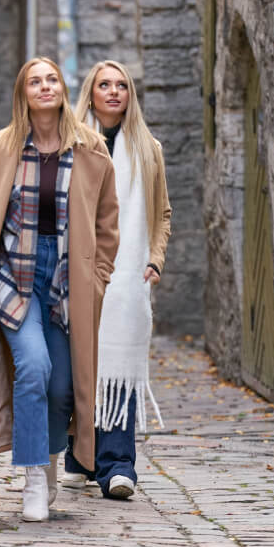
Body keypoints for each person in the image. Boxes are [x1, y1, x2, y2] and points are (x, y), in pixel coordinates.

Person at [0, 57, 119, 521]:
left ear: (62, 89)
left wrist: (97, 276)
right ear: (23, 93)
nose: (44, 87)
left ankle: (51, 458)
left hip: (67, 280)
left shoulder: (92, 150)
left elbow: (106, 224)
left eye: (51, 79)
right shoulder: (0, 149)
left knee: (63, 387)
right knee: (34, 367)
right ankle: (34, 476)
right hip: (13, 278)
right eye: (35, 81)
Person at [59, 60, 171, 499]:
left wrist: (155, 259)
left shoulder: (148, 149)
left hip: (128, 277)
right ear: (90, 91)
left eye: (121, 85)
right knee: (78, 364)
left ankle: (118, 465)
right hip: (75, 269)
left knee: (119, 361)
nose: (113, 92)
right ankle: (78, 456)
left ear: (130, 95)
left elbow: (161, 212)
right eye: (104, 85)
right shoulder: (69, 143)